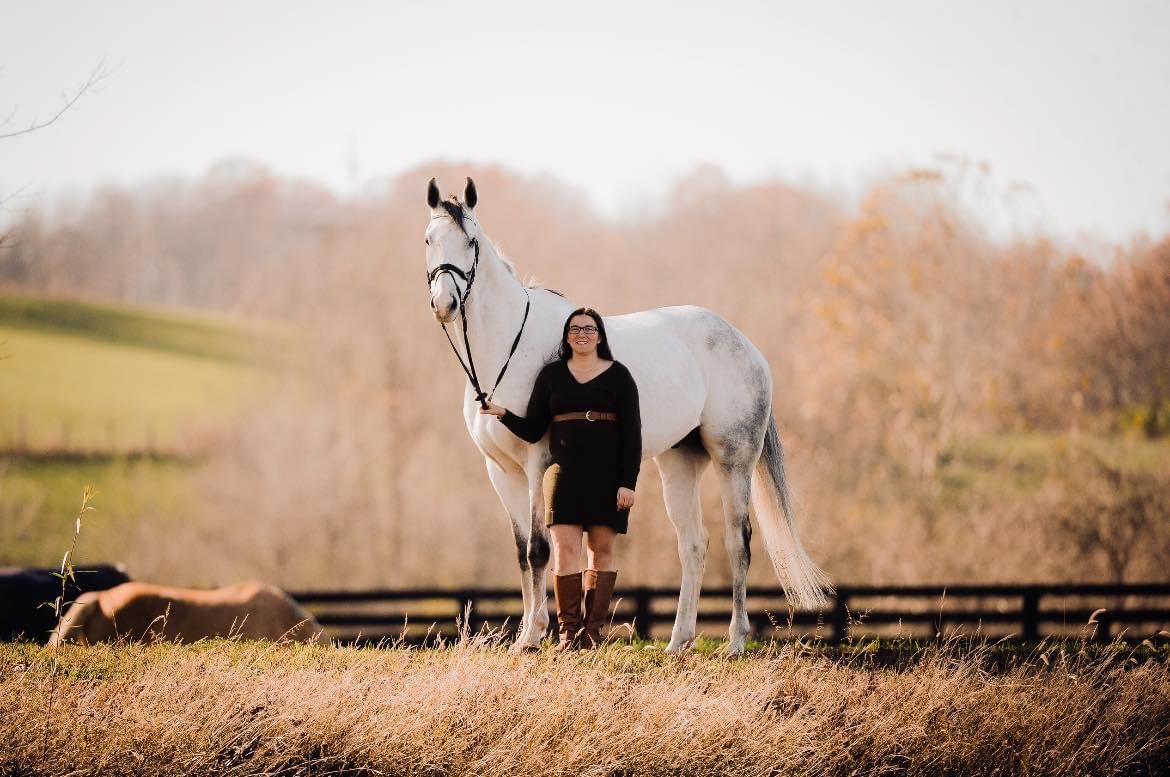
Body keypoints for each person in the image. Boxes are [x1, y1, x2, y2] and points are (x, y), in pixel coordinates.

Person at [479, 307, 641, 650]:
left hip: (609, 478)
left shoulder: (619, 376)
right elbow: (534, 428)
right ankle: (568, 635)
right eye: (575, 329)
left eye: (589, 328)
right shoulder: (552, 375)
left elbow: (633, 435)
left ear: (600, 335)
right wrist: (502, 414)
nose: (582, 334)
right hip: (563, 478)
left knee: (602, 551)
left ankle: (592, 636)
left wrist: (629, 481)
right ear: (567, 337)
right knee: (565, 552)